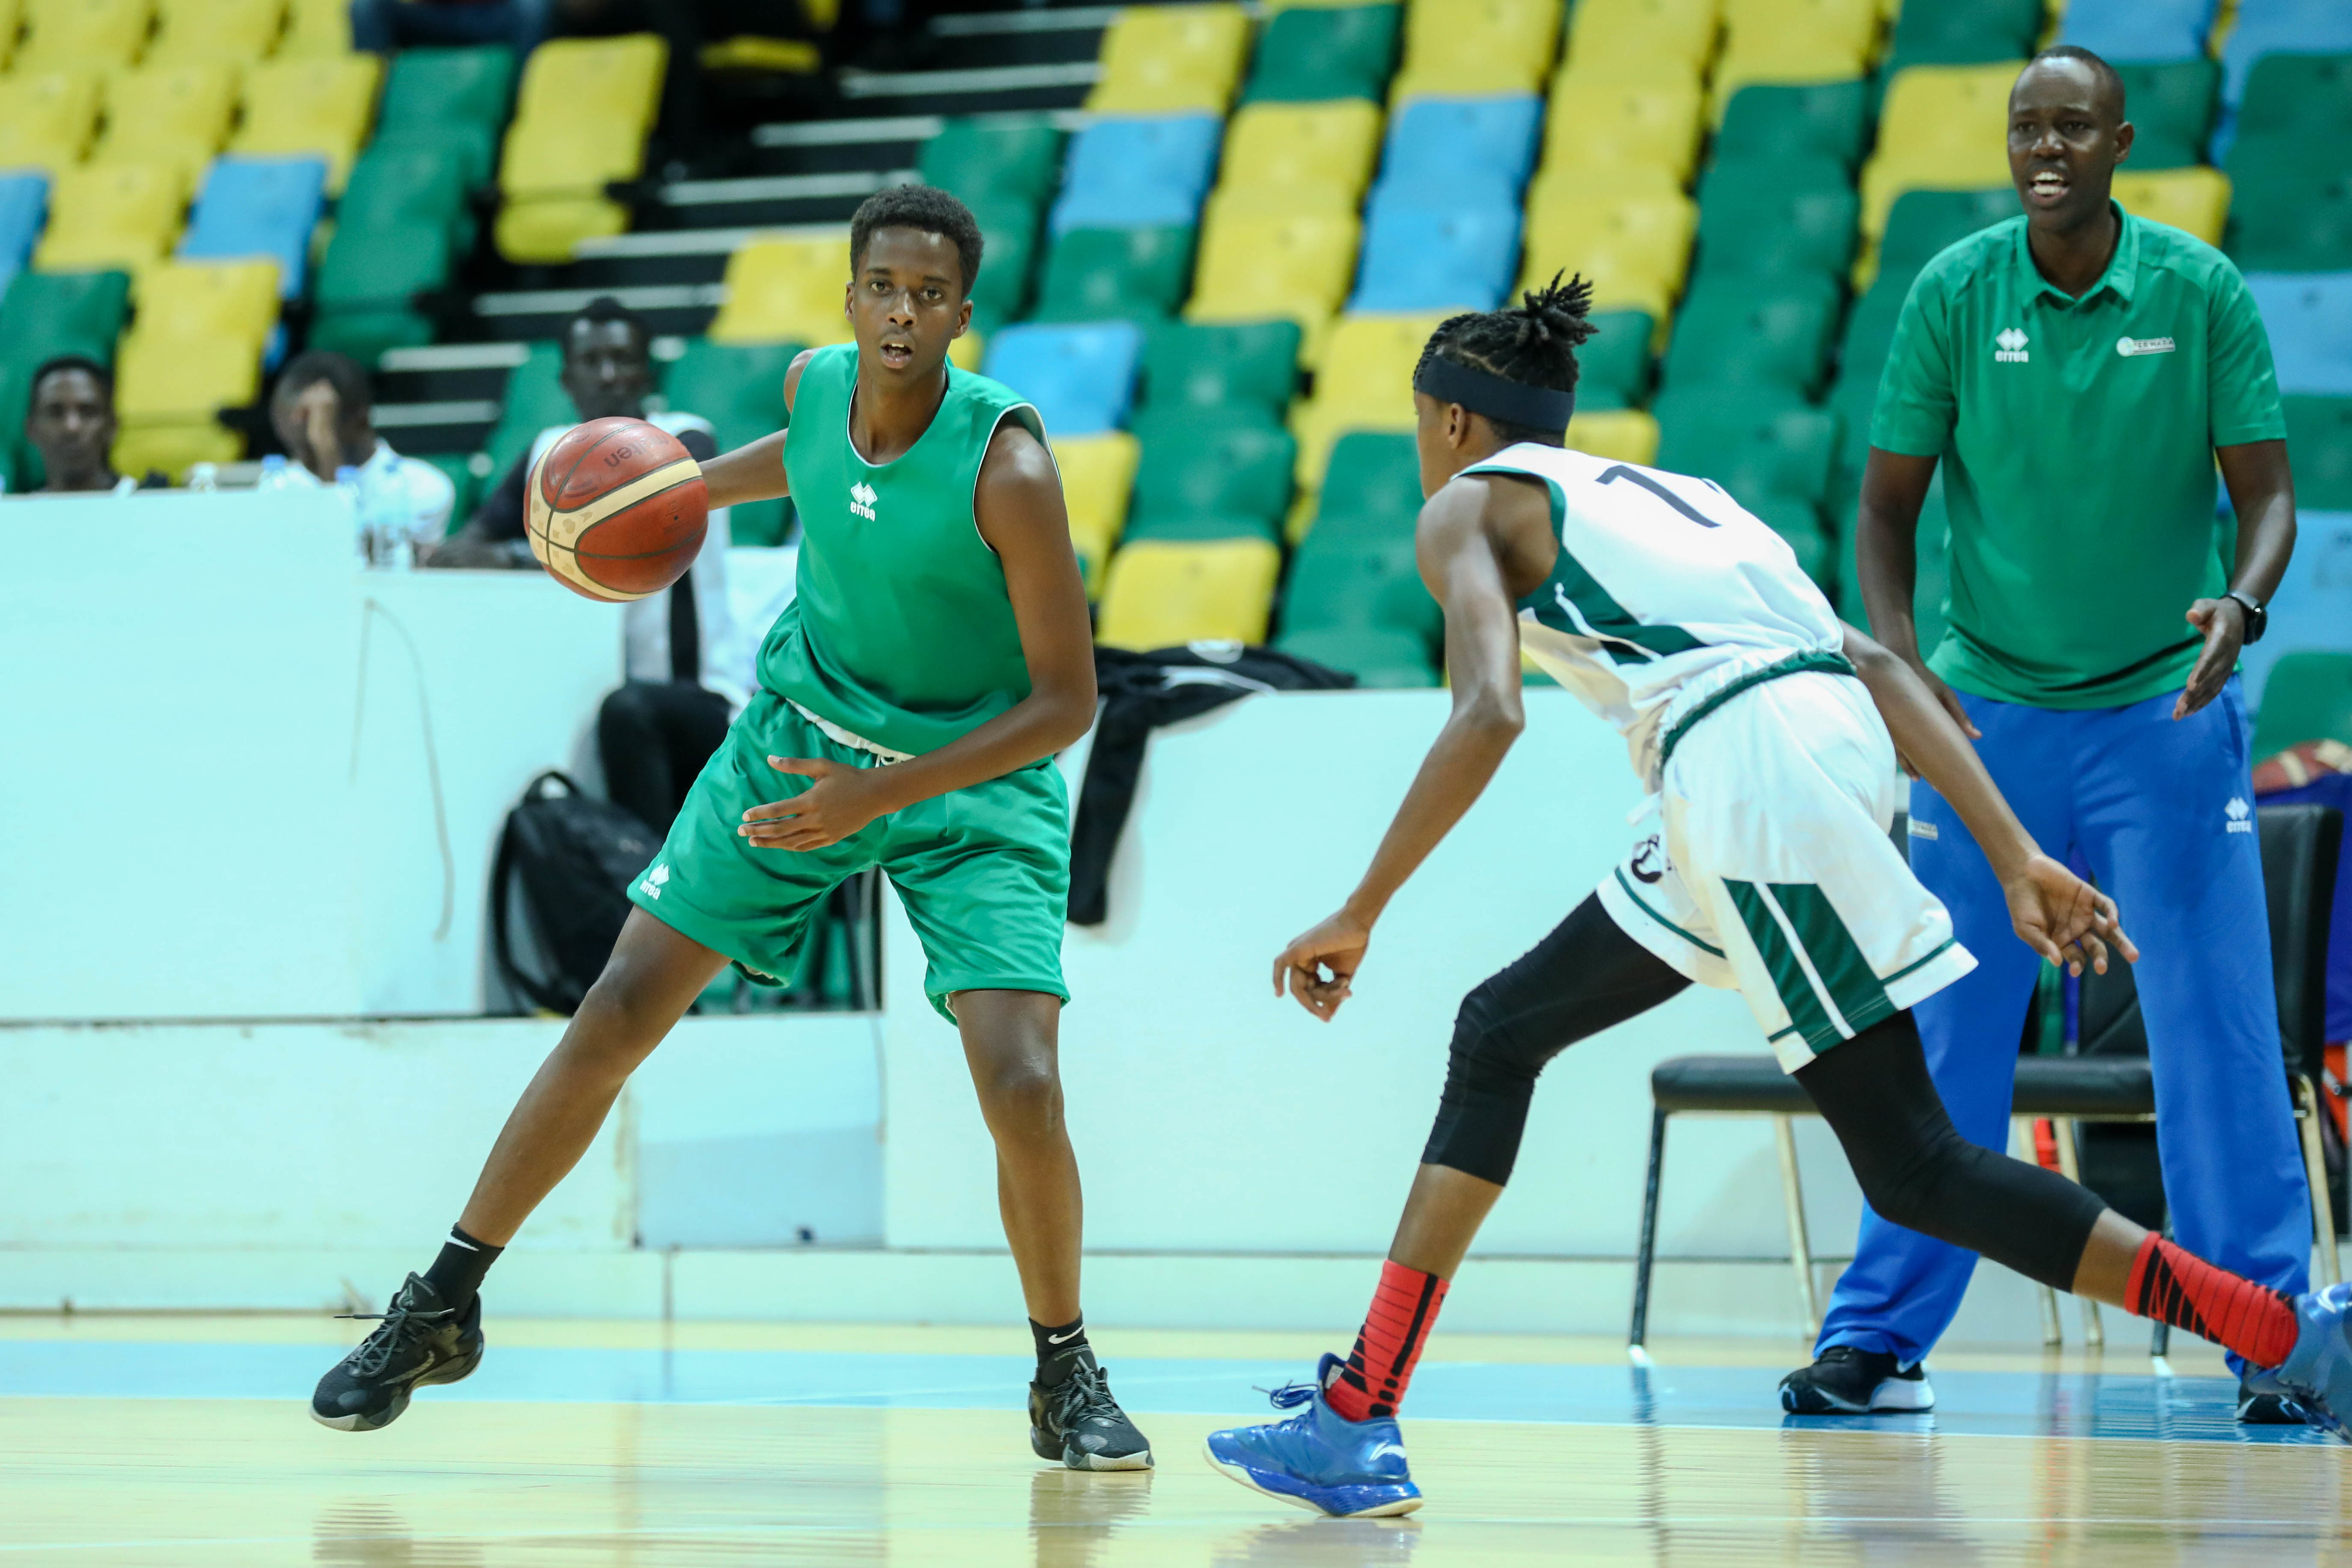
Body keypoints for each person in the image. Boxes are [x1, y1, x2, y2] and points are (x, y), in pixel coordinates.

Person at [1199, 277, 2352, 1520]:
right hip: (1796, 757)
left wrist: (1360, 904)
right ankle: (1359, 1408)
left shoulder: (1466, 507)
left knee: (1917, 1164)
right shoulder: (1684, 501)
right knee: (1501, 1030)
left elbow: (1486, 710)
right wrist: (2010, 849)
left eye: (1422, 424)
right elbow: (1871, 661)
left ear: (1454, 423)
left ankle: (2285, 1329)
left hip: (1745, 775)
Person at [308, 186, 1154, 1472]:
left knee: (1022, 1081)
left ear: (964, 315)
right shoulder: (822, 389)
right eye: (885, 287)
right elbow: (796, 461)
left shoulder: (1009, 466)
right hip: (798, 739)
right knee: (617, 1006)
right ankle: (444, 1302)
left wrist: (881, 795)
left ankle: (1064, 1367)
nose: (904, 313)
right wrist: (652, 495)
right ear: (853, 294)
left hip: (970, 786)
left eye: (931, 295)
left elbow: (1067, 704)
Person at [1796, 45, 2311, 1422]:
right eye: (2024, 125)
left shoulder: (2194, 289)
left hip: (2165, 714)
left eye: (2069, 127)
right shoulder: (1952, 293)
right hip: (1986, 725)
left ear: (2116, 141)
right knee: (1940, 1030)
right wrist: (1902, 673)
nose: (2043, 147)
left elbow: (2264, 497)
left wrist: (2241, 605)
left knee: (2213, 1034)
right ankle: (1877, 1334)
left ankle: (2266, 1333)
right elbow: (1883, 514)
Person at [439, 296, 749, 832]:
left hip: (700, 696)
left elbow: (626, 521)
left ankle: (648, 893)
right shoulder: (547, 452)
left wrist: (516, 555)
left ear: (648, 371)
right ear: (565, 378)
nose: (609, 376)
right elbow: (464, 548)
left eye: (623, 359)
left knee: (627, 711)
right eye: (592, 361)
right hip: (591, 695)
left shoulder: (686, 437)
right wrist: (498, 552)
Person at [268, 351, 457, 556]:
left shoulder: (421, 487)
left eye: (319, 426)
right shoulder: (278, 486)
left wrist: (328, 453)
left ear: (361, 418)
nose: (303, 458)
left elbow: (371, 557)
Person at [18, 356, 163, 494]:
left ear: (112, 425)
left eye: (88, 412)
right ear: (31, 428)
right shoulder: (14, 516)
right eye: (55, 412)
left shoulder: (153, 506)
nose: (72, 427)